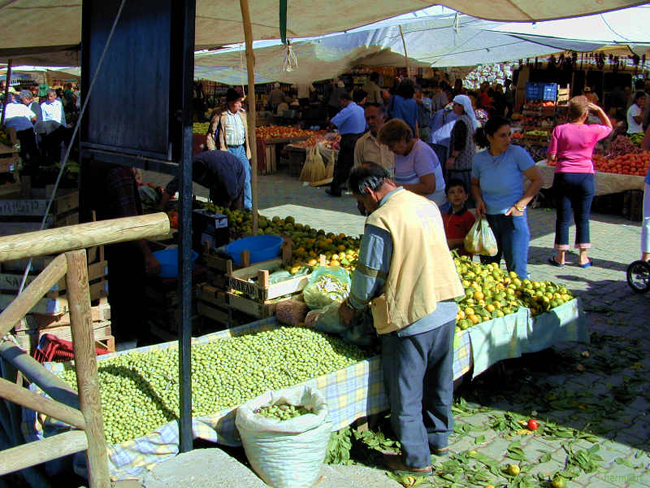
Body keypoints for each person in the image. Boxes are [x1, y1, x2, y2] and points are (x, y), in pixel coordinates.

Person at [338, 164, 464, 477]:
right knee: (439, 381)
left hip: (411, 314)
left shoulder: (381, 218)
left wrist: (352, 305)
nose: (362, 206)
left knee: (405, 392)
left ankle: (416, 460)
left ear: (368, 191)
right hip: (445, 306)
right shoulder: (426, 204)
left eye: (360, 200)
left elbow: (370, 273)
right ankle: (439, 438)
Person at [471, 116, 543, 279]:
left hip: (513, 219)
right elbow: (474, 184)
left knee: (517, 273)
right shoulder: (479, 159)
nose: (508, 140)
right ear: (490, 138)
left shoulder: (517, 153)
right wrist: (479, 200)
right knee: (489, 272)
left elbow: (538, 180)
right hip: (489, 220)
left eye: (509, 134)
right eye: (502, 136)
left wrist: (520, 205)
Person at [547, 96, 612, 267]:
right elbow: (609, 127)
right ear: (585, 114)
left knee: (563, 216)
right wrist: (599, 110)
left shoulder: (559, 130)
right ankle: (583, 257)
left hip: (564, 174)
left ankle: (560, 256)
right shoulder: (592, 130)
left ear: (569, 112)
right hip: (585, 175)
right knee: (583, 216)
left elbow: (551, 156)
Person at [378, 119, 446, 207]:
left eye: (391, 145)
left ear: (402, 139)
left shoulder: (421, 152)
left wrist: (396, 188)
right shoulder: (400, 153)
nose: (390, 149)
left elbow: (429, 187)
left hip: (432, 206)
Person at [206, 88, 252, 210]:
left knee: (246, 178)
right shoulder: (220, 114)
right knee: (228, 180)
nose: (240, 104)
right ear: (232, 102)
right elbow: (211, 134)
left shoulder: (242, 114)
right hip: (227, 150)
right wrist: (213, 152)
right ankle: (228, 206)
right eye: (238, 102)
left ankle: (248, 207)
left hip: (241, 150)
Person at [160, 150, 247, 211]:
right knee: (217, 205)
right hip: (218, 166)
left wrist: (225, 211)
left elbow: (231, 193)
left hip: (236, 171)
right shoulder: (188, 168)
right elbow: (171, 187)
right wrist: (161, 207)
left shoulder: (223, 172)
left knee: (234, 210)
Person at [326, 92, 366, 197]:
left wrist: (330, 126)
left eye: (340, 102)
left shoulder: (348, 110)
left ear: (344, 100)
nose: (340, 104)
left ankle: (336, 188)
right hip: (361, 137)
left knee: (343, 165)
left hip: (349, 139)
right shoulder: (360, 109)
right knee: (355, 163)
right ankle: (352, 185)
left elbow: (333, 122)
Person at [446, 95, 479, 202]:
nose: (454, 107)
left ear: (462, 107)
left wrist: (452, 158)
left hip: (461, 164)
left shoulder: (461, 122)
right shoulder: (468, 120)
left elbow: (460, 142)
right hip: (468, 162)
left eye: (456, 105)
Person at [3, 91, 40, 173]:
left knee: (18, 152)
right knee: (32, 151)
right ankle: (35, 171)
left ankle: (21, 170)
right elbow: (34, 118)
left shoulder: (3, 111)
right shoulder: (21, 106)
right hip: (28, 129)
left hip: (15, 133)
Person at [353, 103, 394, 173]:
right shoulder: (361, 143)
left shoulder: (395, 139)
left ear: (384, 117)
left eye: (373, 117)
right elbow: (357, 171)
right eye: (367, 119)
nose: (370, 122)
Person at [442, 178, 476, 256]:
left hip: (463, 258)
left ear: (466, 196)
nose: (456, 195)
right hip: (447, 256)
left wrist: (454, 242)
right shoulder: (445, 216)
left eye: (460, 191)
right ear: (447, 198)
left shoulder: (468, 217)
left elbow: (472, 240)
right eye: (452, 192)